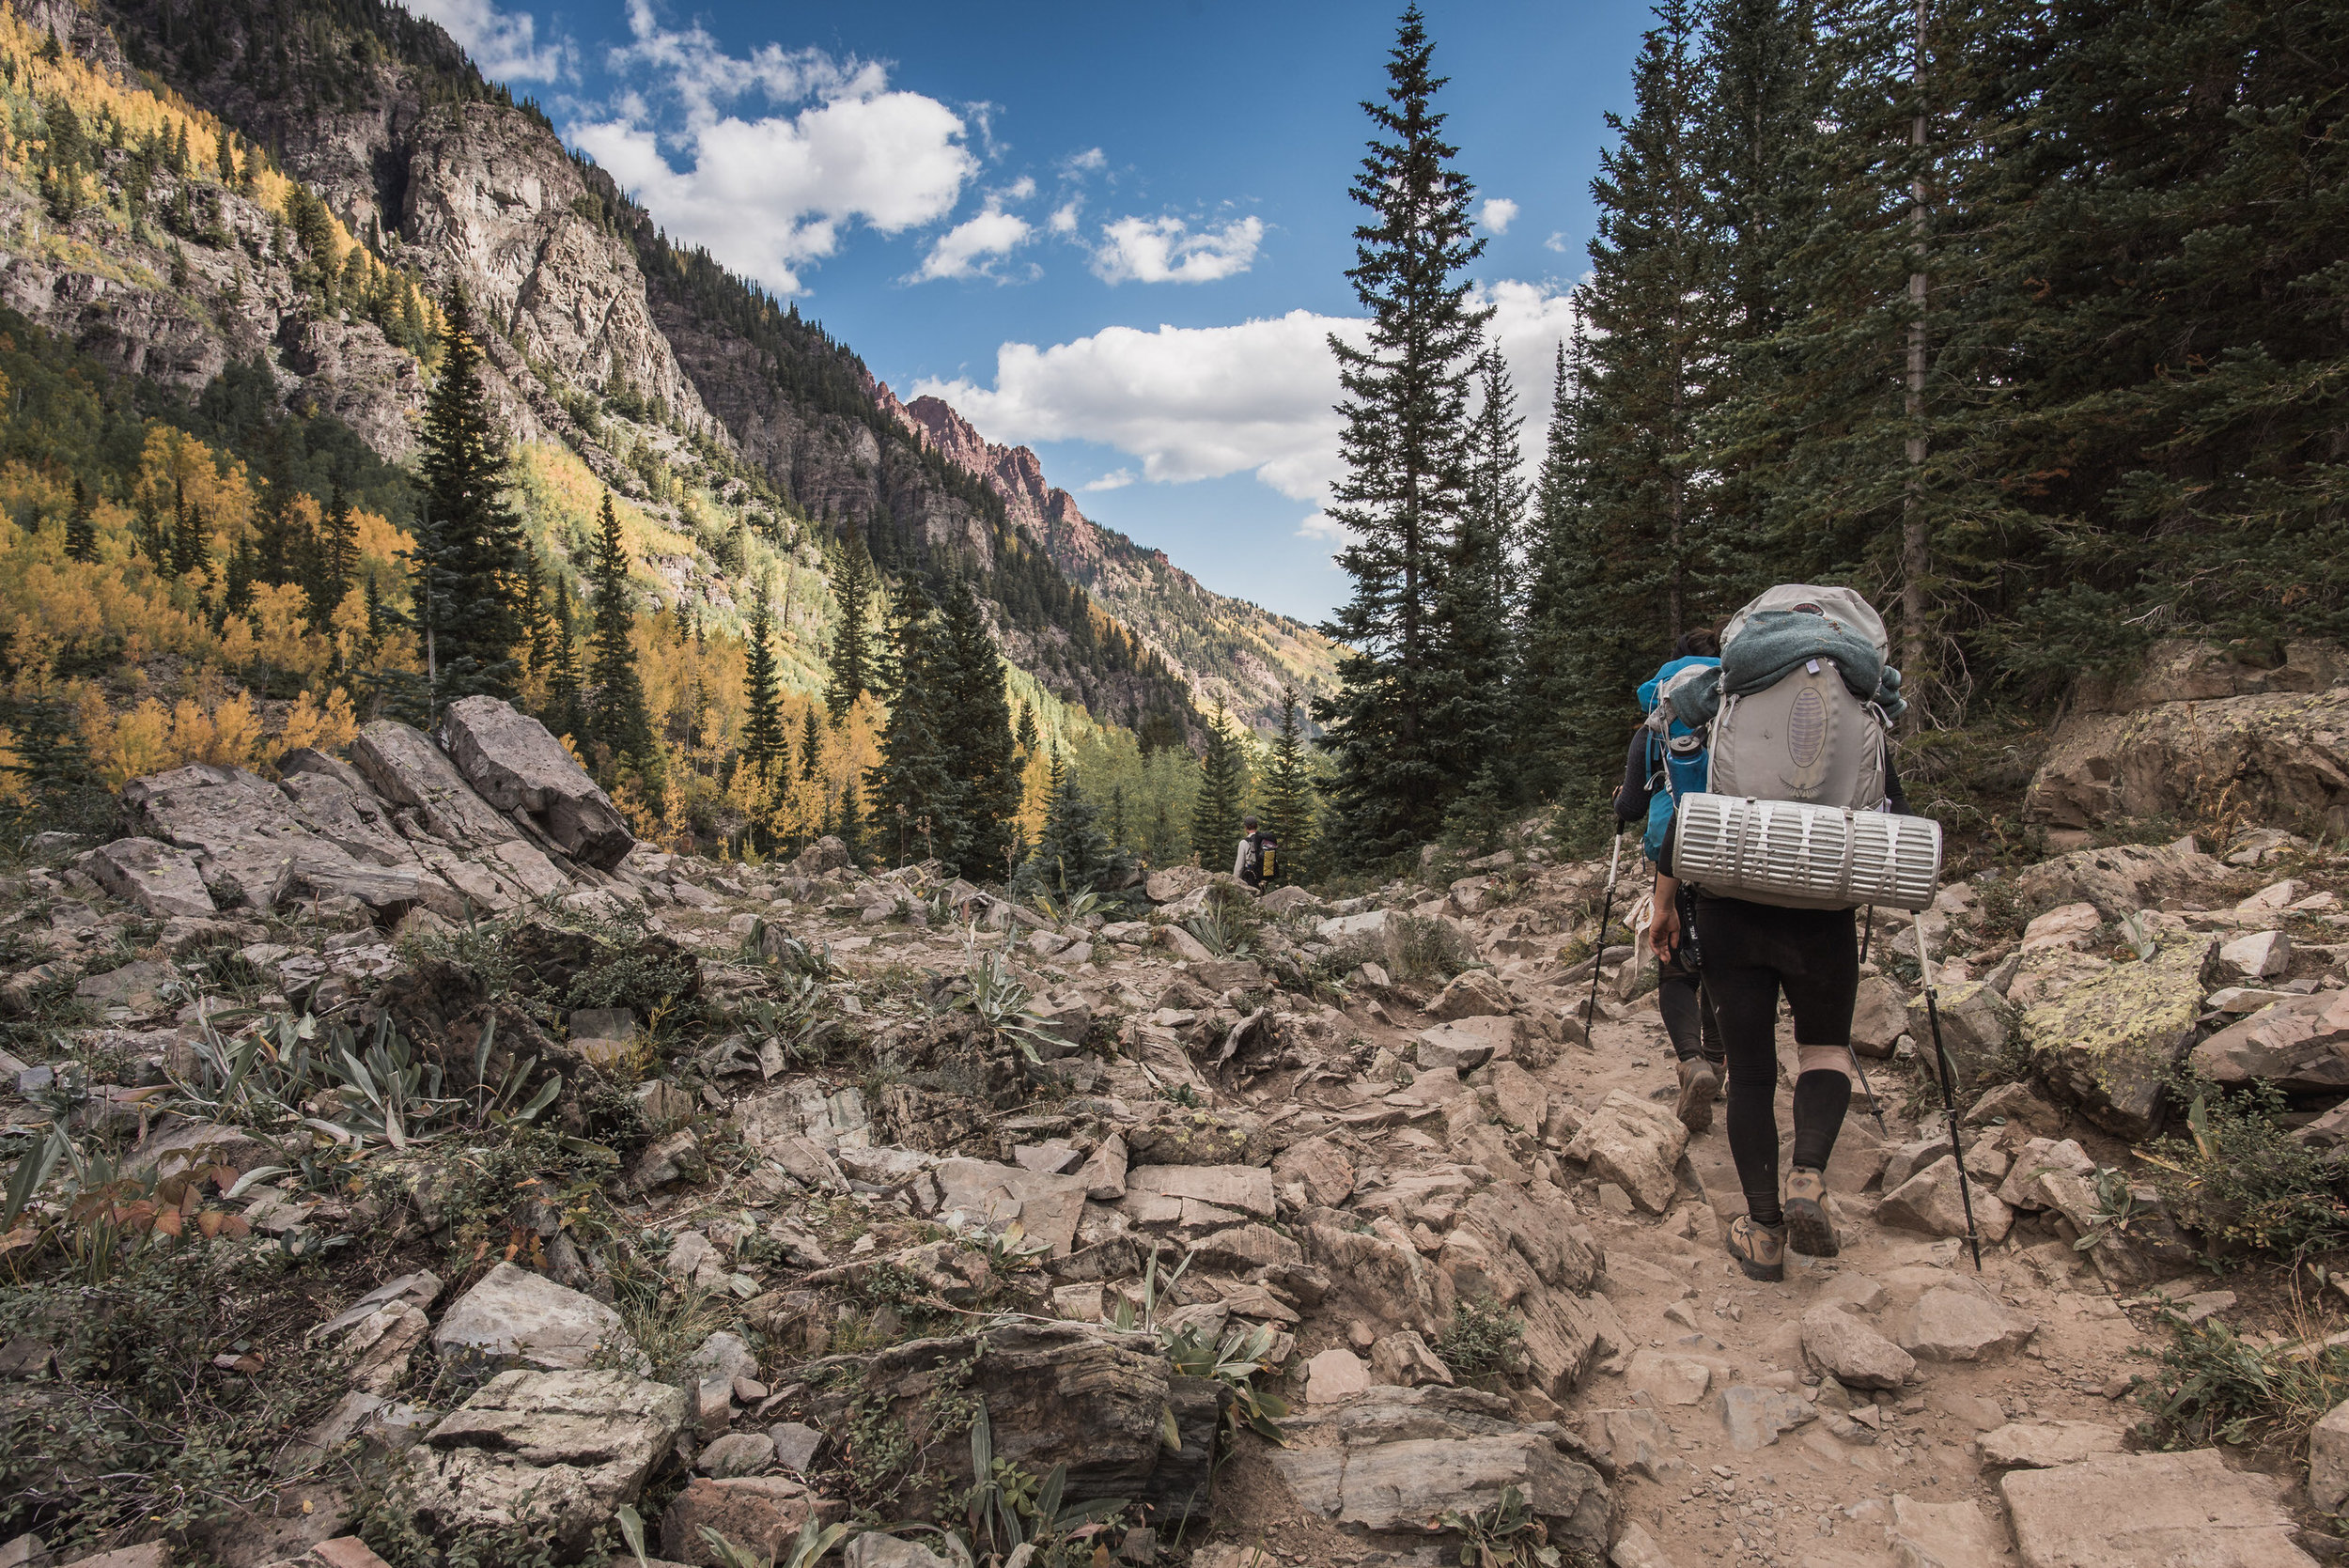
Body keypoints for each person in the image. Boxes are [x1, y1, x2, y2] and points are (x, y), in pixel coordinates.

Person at [1644, 639, 1913, 1282]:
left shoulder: (1724, 703)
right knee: (1824, 1050)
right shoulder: (1856, 701)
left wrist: (1666, 902)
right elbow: (1892, 813)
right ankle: (1809, 1174)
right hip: (1822, 910)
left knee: (1753, 1072)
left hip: (1732, 907)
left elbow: (1686, 811)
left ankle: (1763, 1231)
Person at [1616, 629, 1725, 1135]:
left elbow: (1633, 805)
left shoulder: (1659, 716)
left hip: (1673, 850)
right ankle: (1720, 1061)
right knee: (1727, 962)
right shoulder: (1741, 701)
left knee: (1677, 964)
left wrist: (1622, 798)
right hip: (1737, 847)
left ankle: (1692, 1061)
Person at [1235, 814, 1273, 887]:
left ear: (1246, 828)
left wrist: (1234, 880)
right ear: (1256, 826)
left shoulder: (1244, 842)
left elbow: (1239, 866)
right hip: (1263, 877)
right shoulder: (1264, 840)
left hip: (1249, 877)